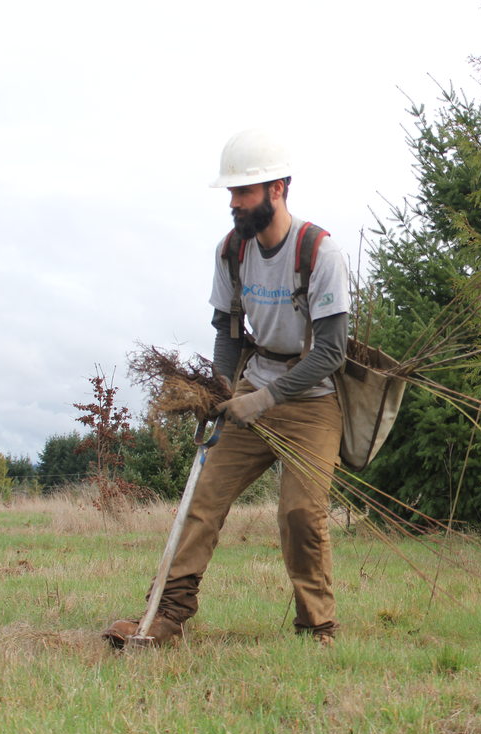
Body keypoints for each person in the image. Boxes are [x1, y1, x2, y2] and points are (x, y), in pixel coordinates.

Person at [104, 129, 349, 646]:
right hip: (248, 397)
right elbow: (228, 332)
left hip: (311, 404)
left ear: (278, 189)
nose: (234, 204)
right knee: (202, 501)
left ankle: (317, 626)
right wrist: (217, 391)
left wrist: (265, 398)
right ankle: (163, 618)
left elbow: (331, 353)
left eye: (244, 192)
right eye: (232, 194)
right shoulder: (232, 252)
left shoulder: (320, 253)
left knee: (301, 513)